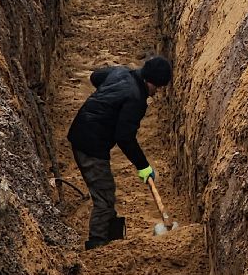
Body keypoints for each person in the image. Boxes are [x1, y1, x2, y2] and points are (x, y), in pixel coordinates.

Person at [66, 55, 172, 249]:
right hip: (90, 144)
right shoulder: (136, 99)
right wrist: (143, 166)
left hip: (83, 132)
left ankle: (110, 235)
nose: (156, 93)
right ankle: (97, 245)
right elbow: (124, 137)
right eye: (157, 88)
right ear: (150, 81)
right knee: (104, 196)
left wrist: (109, 101)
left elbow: (96, 77)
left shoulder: (121, 72)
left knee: (106, 189)